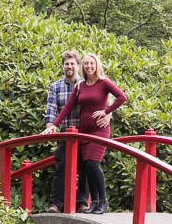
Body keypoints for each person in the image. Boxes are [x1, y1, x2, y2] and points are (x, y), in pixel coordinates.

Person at [51, 53, 127, 215]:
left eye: (91, 64)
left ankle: (103, 202)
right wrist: (54, 125)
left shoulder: (104, 82)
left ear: (96, 65)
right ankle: (95, 204)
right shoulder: (80, 86)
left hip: (99, 130)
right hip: (84, 132)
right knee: (88, 167)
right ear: (83, 67)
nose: (89, 67)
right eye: (86, 64)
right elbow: (67, 108)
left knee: (93, 165)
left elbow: (122, 97)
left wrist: (106, 112)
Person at [41, 51, 89, 213]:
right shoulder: (55, 86)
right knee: (61, 168)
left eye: (72, 64)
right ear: (63, 66)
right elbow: (51, 109)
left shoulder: (86, 84)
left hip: (83, 134)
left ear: (78, 66)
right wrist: (50, 127)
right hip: (64, 135)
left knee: (85, 168)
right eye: (66, 64)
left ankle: (82, 203)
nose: (69, 67)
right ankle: (56, 204)